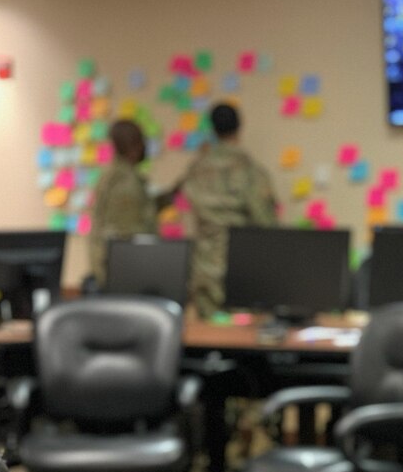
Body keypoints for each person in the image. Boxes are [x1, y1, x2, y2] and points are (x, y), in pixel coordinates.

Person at [181, 103, 277, 318]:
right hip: (242, 268)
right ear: (239, 127)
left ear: (213, 129)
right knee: (242, 341)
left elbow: (191, 209)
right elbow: (267, 225)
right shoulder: (250, 169)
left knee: (208, 338)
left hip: (204, 268)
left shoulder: (196, 169)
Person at [88, 119, 170, 287]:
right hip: (125, 273)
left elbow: (142, 210)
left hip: (120, 270)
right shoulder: (124, 182)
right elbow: (129, 235)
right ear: (134, 144)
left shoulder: (119, 175)